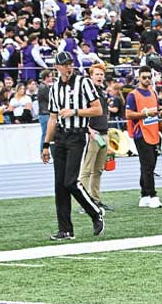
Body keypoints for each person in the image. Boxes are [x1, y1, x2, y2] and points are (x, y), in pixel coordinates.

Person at [41, 51, 105, 241]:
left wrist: (75, 111)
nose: (68, 67)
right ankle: (65, 230)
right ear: (57, 67)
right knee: (59, 186)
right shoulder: (54, 88)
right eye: (64, 64)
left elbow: (98, 109)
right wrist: (46, 144)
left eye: (70, 63)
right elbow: (52, 118)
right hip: (60, 137)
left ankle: (95, 213)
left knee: (70, 181)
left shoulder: (83, 83)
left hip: (77, 136)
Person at [125, 65, 162, 209]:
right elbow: (128, 115)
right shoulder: (133, 95)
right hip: (141, 133)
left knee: (149, 166)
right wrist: (146, 114)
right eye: (144, 77)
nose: (147, 80)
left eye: (149, 77)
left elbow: (157, 110)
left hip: (154, 131)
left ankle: (144, 194)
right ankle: (152, 195)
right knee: (148, 166)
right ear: (138, 78)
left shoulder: (153, 93)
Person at [79, 63, 112, 212]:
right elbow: (82, 114)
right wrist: (89, 130)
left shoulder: (101, 92)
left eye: (101, 74)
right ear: (90, 76)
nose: (100, 77)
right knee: (86, 170)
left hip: (103, 133)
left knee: (98, 170)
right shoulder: (87, 94)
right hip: (93, 135)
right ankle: (85, 203)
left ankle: (95, 200)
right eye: (97, 74)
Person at [38, 70, 53, 152]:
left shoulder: (43, 86)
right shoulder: (44, 88)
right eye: (50, 76)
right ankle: (43, 152)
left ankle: (44, 152)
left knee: (46, 134)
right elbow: (50, 99)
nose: (51, 78)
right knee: (46, 134)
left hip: (44, 113)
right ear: (46, 77)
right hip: (45, 114)